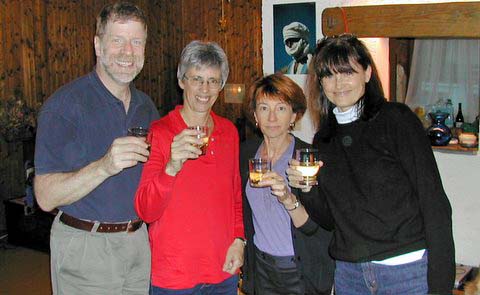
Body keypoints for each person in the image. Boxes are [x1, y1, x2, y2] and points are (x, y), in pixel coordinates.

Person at [287, 34, 455, 294]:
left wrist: (441, 285)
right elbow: (332, 220)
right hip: (350, 273)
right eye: (328, 75)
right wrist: (307, 189)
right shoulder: (324, 139)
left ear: (366, 72)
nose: (338, 83)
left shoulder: (396, 120)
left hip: (406, 271)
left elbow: (434, 203)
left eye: (347, 72)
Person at [34, 2, 159, 294]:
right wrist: (105, 166)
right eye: (117, 40)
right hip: (85, 247)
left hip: (139, 244)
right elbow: (44, 197)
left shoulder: (146, 107)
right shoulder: (63, 107)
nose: (128, 52)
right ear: (98, 45)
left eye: (136, 41)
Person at [134, 40, 245, 294]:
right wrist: (171, 167)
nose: (205, 89)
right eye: (196, 79)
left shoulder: (228, 132)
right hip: (174, 276)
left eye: (213, 80)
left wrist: (239, 240)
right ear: (181, 81)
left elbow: (235, 196)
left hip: (223, 271)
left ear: (221, 85)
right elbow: (145, 210)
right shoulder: (160, 132)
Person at [240, 73, 334, 295]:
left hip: (298, 269)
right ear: (255, 114)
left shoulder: (308, 158)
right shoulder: (245, 152)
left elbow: (315, 228)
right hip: (260, 266)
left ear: (294, 114)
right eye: (264, 108)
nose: (272, 118)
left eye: (281, 108)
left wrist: (288, 199)